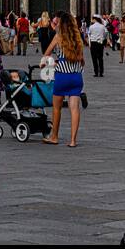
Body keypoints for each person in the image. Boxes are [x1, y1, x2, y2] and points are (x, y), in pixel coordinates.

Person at [42, 11, 85, 147]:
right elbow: (82, 60)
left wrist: (51, 63)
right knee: (74, 109)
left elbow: (46, 54)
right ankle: (73, 140)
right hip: (77, 77)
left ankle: (54, 136)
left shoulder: (58, 37)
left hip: (62, 76)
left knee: (57, 108)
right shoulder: (78, 39)